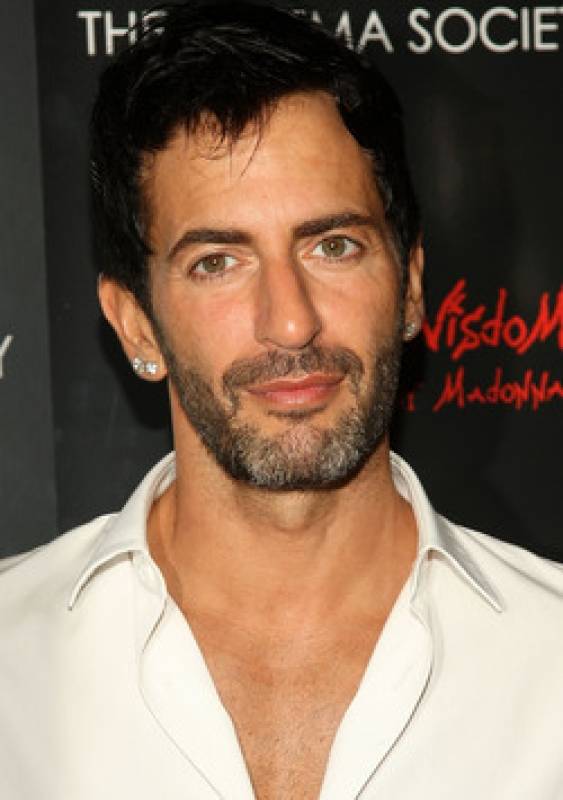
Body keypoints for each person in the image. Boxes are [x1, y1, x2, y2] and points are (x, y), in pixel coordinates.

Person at [1, 2, 562, 798]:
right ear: (135, 324)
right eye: (217, 262)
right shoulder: (12, 662)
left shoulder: (550, 661)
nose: (290, 321)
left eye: (332, 246)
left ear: (408, 287)